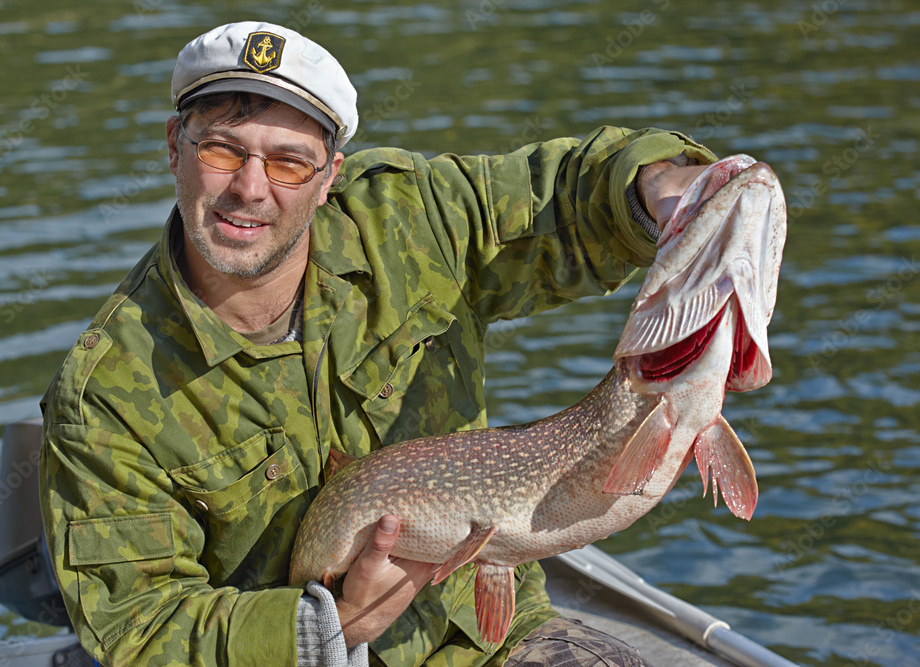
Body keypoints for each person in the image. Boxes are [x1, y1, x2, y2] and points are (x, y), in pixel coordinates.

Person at [38, 20, 715, 667]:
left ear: (329, 176)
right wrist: (319, 628)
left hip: (480, 641)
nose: (249, 188)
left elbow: (563, 198)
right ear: (173, 146)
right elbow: (140, 625)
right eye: (221, 149)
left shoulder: (411, 222)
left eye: (289, 162)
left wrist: (656, 190)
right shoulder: (105, 395)